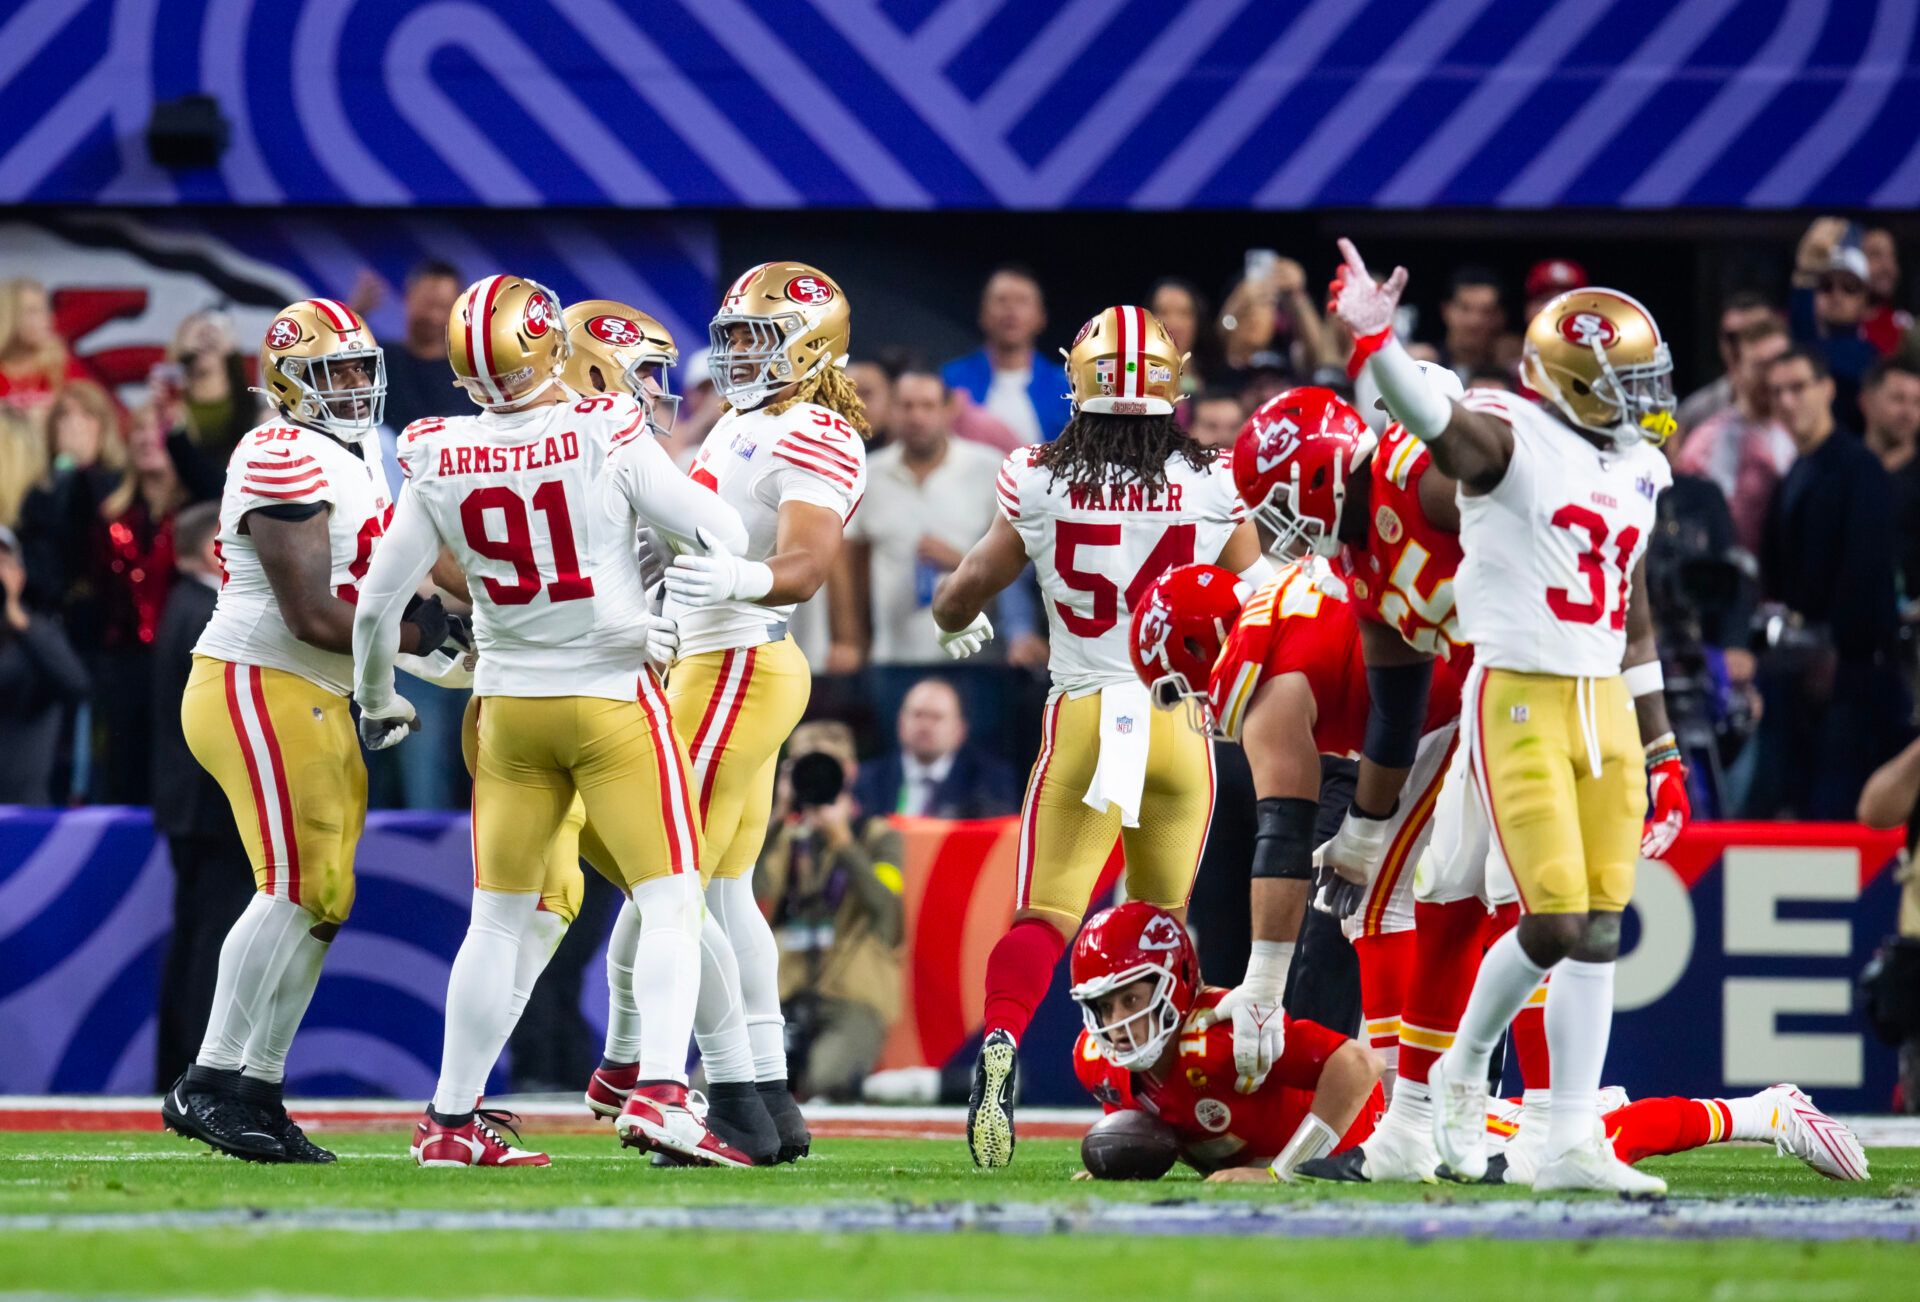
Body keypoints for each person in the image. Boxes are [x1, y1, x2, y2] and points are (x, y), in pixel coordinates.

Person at [353, 274, 748, 1169]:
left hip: (508, 711)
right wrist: (682, 610)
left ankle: (451, 1120)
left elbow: (378, 608)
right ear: (550, 347)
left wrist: (379, 697)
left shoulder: (434, 450)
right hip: (609, 695)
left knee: (495, 921)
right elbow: (719, 530)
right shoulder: (604, 431)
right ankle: (660, 1092)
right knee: (671, 900)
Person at [1333, 238, 1684, 1196]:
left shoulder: (1640, 467)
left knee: (1602, 924)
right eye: (1625, 379)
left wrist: (1662, 742)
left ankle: (1569, 1137)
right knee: (1555, 916)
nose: (1644, 396)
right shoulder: (1513, 441)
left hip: (1602, 701)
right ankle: (1459, 1067)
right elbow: (1442, 425)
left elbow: (1636, 617)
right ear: (1569, 383)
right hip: (1520, 694)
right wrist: (1378, 346)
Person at [930, 304, 1271, 1168]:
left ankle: (1002, 1041)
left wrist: (952, 620)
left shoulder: (1037, 476)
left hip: (1088, 711)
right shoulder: (1210, 481)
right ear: (1173, 379)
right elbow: (1264, 588)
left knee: (1044, 915)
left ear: (1075, 379)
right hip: (1175, 723)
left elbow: (967, 583)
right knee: (1160, 927)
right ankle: (1152, 1105)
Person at [161, 298, 448, 1165]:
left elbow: (403, 569)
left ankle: (257, 1088)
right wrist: (419, 635)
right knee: (294, 884)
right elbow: (313, 612)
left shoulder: (353, 450)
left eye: (363, 370)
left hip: (312, 690)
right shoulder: (280, 449)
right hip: (260, 677)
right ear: (289, 384)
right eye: (335, 374)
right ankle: (210, 1083)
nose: (355, 387)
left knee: (323, 896)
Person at [652, 261, 874, 1165]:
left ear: (810, 344)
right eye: (734, 333)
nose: (739, 352)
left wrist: (738, 578)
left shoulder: (814, 429)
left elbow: (809, 560)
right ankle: (767, 1094)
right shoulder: (748, 421)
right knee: (722, 886)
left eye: (759, 336)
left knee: (668, 878)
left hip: (739, 657)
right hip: (715, 656)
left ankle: (705, 1087)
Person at [1133, 560, 1465, 1109]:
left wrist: (1263, 983)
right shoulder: (1282, 598)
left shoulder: (1259, 673)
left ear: (1200, 645)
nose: (1196, 706)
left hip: (1455, 702)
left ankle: (1425, 1112)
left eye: (1181, 688)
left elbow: (1283, 836)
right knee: (1434, 908)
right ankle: (1430, 1106)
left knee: (1392, 911)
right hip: (1470, 680)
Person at [1068, 901, 1381, 1181]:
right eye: (1105, 1007)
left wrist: (1284, 1170)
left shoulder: (1221, 1033)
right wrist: (1123, 1160)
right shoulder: (1096, 1059)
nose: (1116, 1023)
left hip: (1359, 1143)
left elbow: (1359, 1064)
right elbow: (1135, 1119)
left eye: (1132, 999)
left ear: (1174, 985)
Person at [1746, 347, 1909, 820]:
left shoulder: (1857, 468)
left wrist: (1835, 651)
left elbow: (1866, 574)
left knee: (1838, 815)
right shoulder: (1797, 471)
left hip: (1854, 679)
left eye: (1798, 388)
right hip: (1805, 673)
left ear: (1828, 389)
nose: (1787, 401)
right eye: (1777, 392)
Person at [149, 502, 253, 1088]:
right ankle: (203, 1066)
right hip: (214, 805)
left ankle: (179, 1065)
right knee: (214, 938)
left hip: (186, 804)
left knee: (194, 935)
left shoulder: (179, 606)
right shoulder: (208, 612)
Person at [757, 721, 906, 1101]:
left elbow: (888, 917)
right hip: (782, 993)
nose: (817, 775)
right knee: (712, 1086)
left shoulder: (878, 837)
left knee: (828, 1082)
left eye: (828, 764)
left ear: (850, 770)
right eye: (805, 765)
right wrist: (774, 819)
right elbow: (748, 894)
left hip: (851, 996)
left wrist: (843, 843)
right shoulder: (780, 838)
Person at [839, 369, 1004, 670]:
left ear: (949, 409)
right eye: (907, 406)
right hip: (892, 656)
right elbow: (850, 566)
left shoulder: (990, 469)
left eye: (927, 406)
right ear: (891, 409)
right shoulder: (866, 474)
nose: (916, 417)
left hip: (977, 658)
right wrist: (850, 640)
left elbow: (1020, 563)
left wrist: (964, 563)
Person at [1677, 318, 1794, 555]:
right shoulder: (1709, 441)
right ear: (1736, 369)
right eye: (1762, 366)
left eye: (1781, 362)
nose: (1774, 375)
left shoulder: (1801, 434)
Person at [0, 523, 88, 803]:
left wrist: (19, 621)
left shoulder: (38, 631)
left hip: (21, 805)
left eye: (2, 563)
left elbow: (76, 685)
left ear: (20, 576)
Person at [853, 677, 1020, 818]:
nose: (925, 725)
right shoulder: (866, 779)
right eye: (917, 715)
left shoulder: (989, 782)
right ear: (900, 724)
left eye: (936, 717)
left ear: (959, 731)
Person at [941, 267, 1070, 445]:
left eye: (1022, 301)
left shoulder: (1065, 387)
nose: (1011, 310)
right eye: (1001, 300)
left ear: (1041, 317)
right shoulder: (951, 380)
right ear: (982, 314)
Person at [1790, 218, 1880, 422]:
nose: (1837, 296)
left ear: (1865, 300)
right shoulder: (1797, 341)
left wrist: (1805, 281)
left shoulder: (1870, 356)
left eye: (1849, 287)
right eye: (1826, 286)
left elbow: (1813, 357)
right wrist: (1805, 277)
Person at [360, 260, 464, 433]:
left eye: (443, 307)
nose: (434, 316)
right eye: (427, 304)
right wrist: (353, 314)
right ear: (408, 298)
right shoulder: (379, 360)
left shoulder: (471, 375)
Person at [1859, 358, 1920, 603]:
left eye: (1917, 403)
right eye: (1898, 399)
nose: (1908, 412)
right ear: (1866, 402)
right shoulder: (1842, 471)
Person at [1676, 291, 1775, 437]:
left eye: (1756, 334)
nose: (1742, 347)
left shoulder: (1797, 407)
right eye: (1732, 338)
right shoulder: (1695, 413)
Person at [168, 309, 258, 463]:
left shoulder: (250, 406)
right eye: (197, 334)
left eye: (211, 333)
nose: (204, 340)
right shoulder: (169, 402)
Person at [0, 278, 87, 416]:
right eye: (32, 312)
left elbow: (90, 413)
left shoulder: (62, 365)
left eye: (45, 310)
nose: (47, 319)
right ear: (8, 316)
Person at [1433, 267, 1511, 381]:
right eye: (1465, 309)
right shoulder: (1424, 367)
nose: (1474, 321)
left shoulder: (1514, 372)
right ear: (1445, 310)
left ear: (1500, 317)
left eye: (1486, 311)